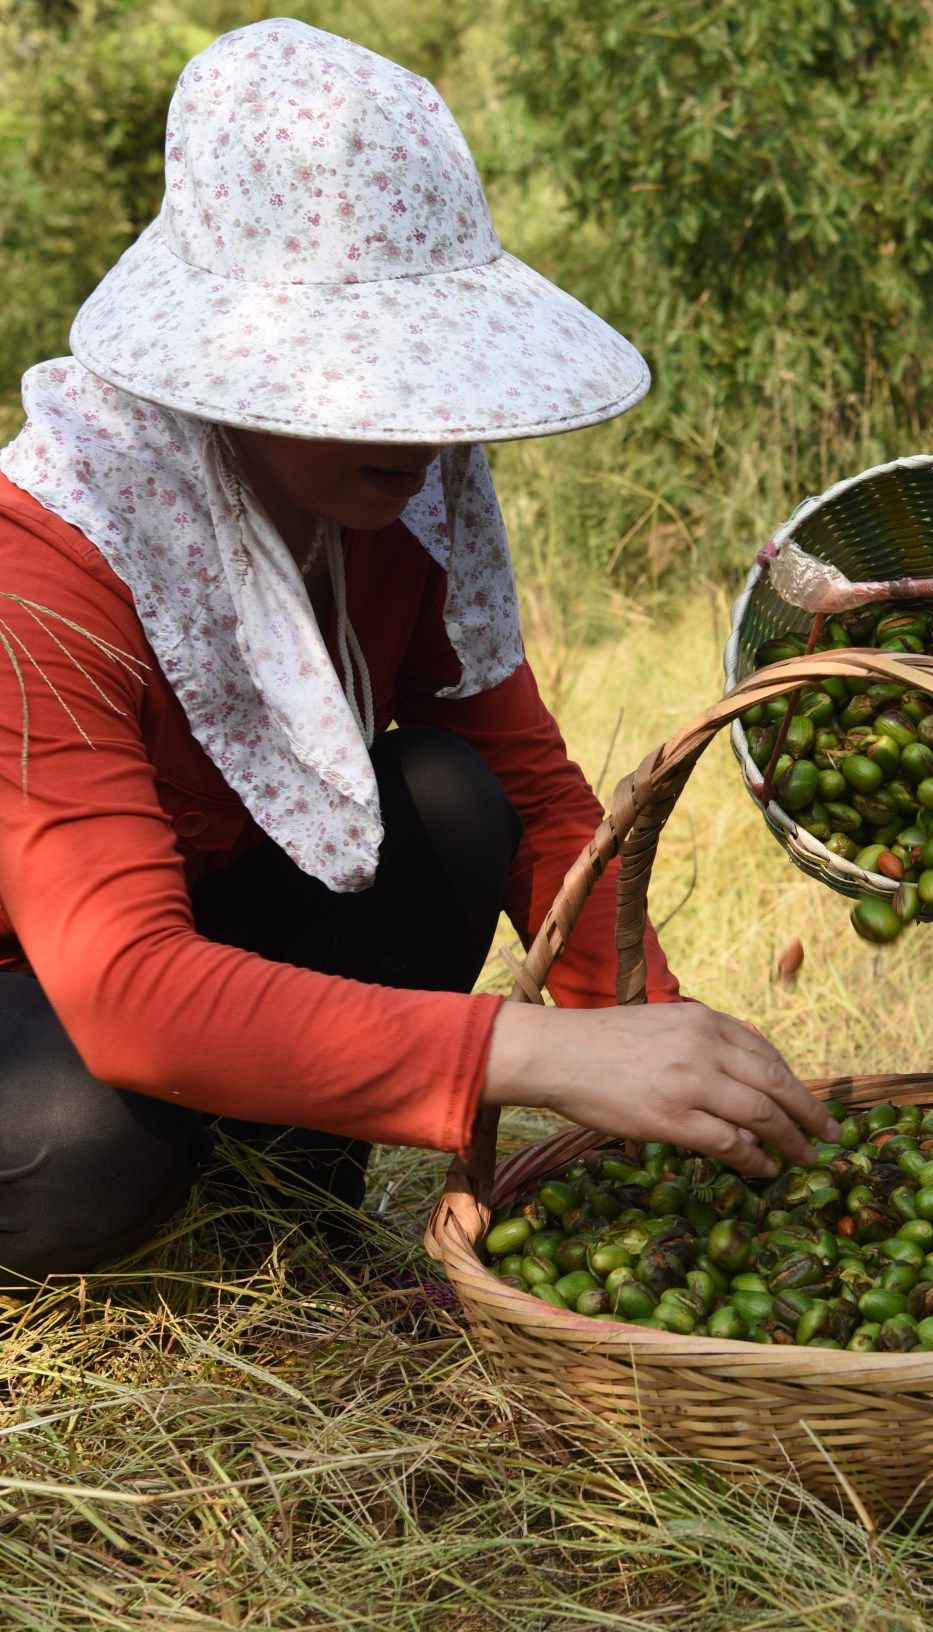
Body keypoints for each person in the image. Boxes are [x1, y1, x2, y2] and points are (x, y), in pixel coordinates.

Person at [0, 20, 834, 1282]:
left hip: (197, 934)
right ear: (227, 368)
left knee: (450, 802)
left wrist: (662, 1048)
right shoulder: (52, 559)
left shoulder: (406, 499)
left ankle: (272, 1207)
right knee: (80, 1138)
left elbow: (542, 800)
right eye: (364, 379)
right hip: (42, 994)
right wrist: (530, 1052)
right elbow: (123, 987)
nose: (423, 429)